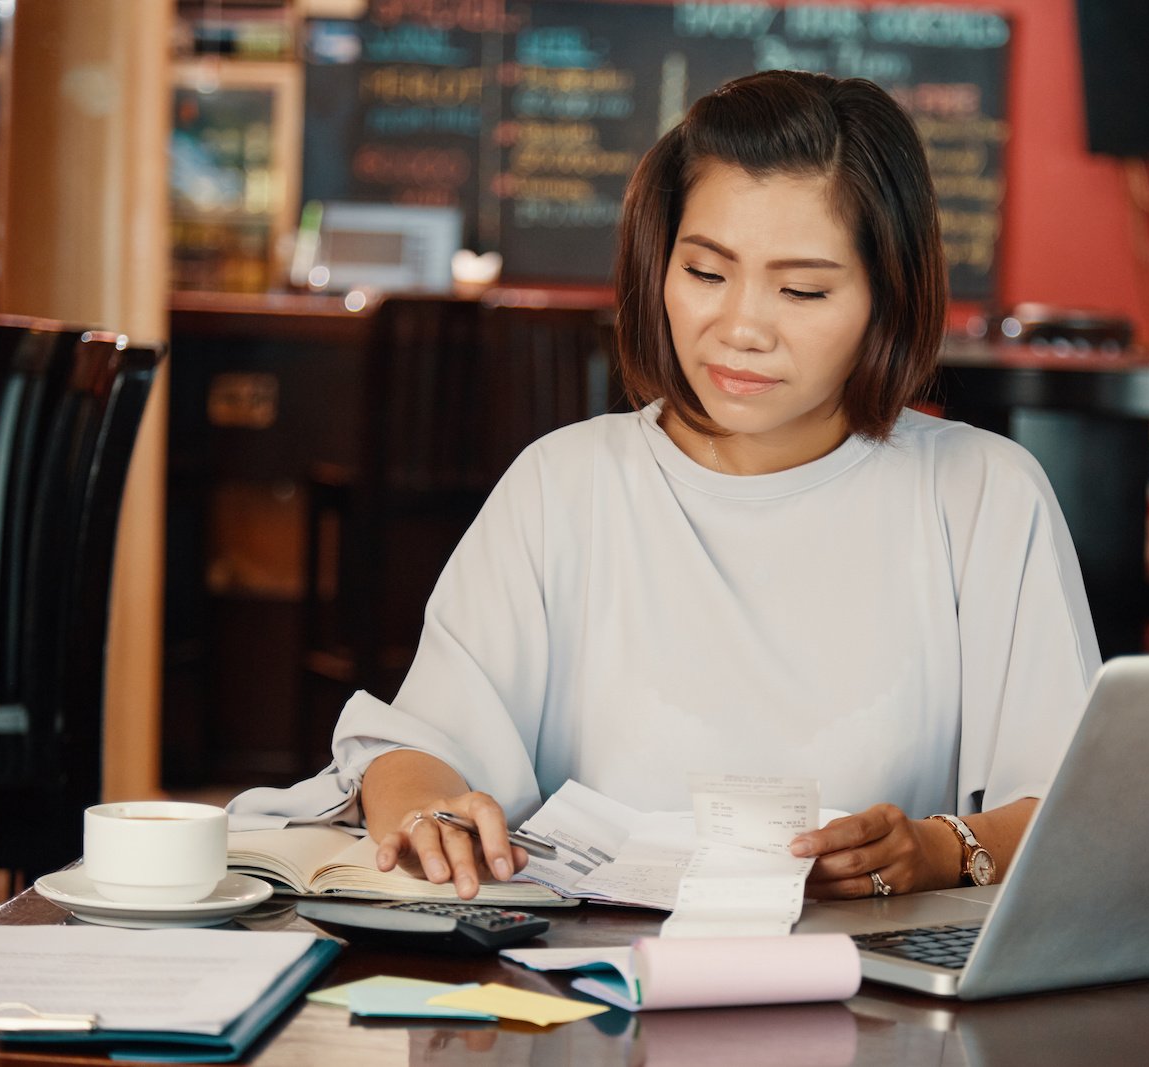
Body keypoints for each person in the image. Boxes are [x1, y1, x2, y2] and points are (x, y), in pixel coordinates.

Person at [230, 69, 1100, 902]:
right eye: (706, 273)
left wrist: (940, 848)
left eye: (802, 289)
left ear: (888, 295)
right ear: (658, 266)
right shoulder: (565, 486)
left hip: (876, 996)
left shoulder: (981, 494)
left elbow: (1080, 809)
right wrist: (425, 810)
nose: (741, 327)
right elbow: (420, 749)